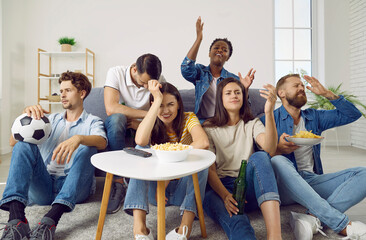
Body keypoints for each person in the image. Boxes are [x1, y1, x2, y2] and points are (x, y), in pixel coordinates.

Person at [0, 71, 107, 240]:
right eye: (61, 90)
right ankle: (16, 219)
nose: (62, 95)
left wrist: (79, 139)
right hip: (44, 184)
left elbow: (102, 142)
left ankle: (51, 220)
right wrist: (25, 116)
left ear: (82, 93)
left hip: (73, 186)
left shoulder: (92, 121)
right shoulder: (49, 120)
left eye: (68, 90)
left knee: (89, 148)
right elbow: (13, 142)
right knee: (23, 144)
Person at [260, 74, 366, 239]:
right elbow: (256, 160)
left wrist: (327, 94)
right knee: (277, 160)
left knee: (364, 174)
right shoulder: (268, 118)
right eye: (296, 86)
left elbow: (353, 115)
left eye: (302, 86)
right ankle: (340, 224)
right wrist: (277, 149)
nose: (301, 88)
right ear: (281, 93)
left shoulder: (314, 117)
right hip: (282, 185)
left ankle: (311, 218)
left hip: (311, 180)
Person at [123, 81, 209, 240]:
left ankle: (185, 227)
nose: (165, 111)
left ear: (178, 105)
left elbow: (203, 142)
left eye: (170, 104)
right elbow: (140, 141)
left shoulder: (188, 118)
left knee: (203, 157)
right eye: (160, 105)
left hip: (181, 189)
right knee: (139, 150)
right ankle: (140, 228)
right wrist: (155, 103)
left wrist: (170, 171)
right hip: (155, 191)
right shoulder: (152, 119)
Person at [203, 78, 282, 240]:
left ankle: (275, 236)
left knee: (260, 156)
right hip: (220, 189)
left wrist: (268, 112)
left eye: (238, 92)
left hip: (249, 187)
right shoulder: (209, 127)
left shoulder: (252, 123)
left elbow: (270, 149)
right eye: (229, 93)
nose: (234, 96)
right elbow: (210, 170)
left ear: (243, 97)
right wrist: (225, 196)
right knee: (238, 222)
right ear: (221, 99)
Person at [104, 53, 165, 214]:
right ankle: (118, 181)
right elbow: (111, 108)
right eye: (143, 82)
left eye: (149, 84)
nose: (146, 87)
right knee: (117, 119)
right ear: (134, 69)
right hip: (121, 124)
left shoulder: (159, 81)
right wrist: (145, 115)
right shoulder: (115, 73)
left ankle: (136, 184)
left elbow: (163, 113)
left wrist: (142, 123)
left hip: (142, 127)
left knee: (154, 128)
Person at [181, 16, 256, 122]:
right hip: (203, 121)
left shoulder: (233, 79)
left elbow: (245, 109)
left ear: (228, 57)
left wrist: (245, 89)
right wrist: (199, 39)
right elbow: (186, 69)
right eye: (216, 48)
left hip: (225, 121)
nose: (220, 50)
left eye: (224, 50)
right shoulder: (200, 73)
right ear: (209, 53)